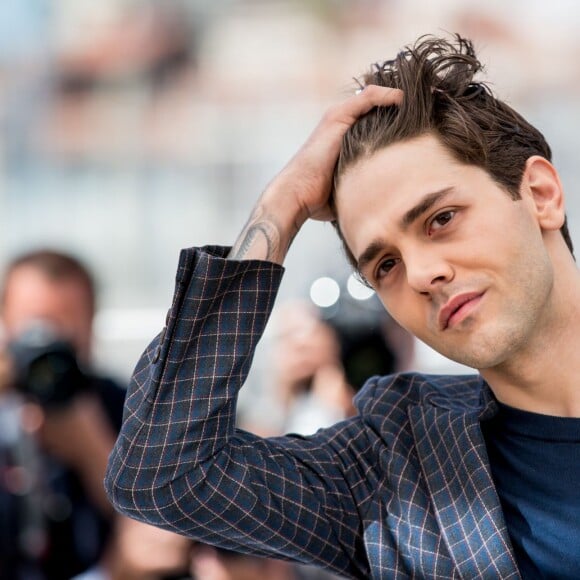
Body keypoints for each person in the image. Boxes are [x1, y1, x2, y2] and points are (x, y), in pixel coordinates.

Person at [105, 34, 580, 579]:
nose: (424, 274)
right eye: (386, 266)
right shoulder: (394, 465)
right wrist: (284, 201)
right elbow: (160, 474)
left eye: (442, 219)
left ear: (540, 194)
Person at [0, 250, 191, 579]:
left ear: (90, 327)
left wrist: (95, 453)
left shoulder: (132, 409)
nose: (46, 348)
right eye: (33, 328)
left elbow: (165, 540)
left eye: (62, 331)